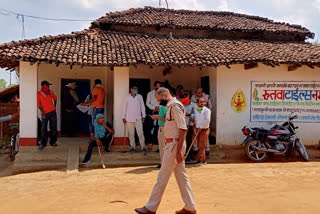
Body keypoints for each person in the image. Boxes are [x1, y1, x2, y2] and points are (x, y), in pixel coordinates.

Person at [135, 87, 197, 214]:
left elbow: (183, 128)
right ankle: (190, 206)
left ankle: (151, 207)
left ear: (164, 95)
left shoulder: (175, 106)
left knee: (162, 177)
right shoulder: (171, 106)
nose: (158, 103)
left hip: (174, 145)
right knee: (181, 177)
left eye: (159, 99)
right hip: (173, 144)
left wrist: (179, 151)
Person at [122, 86, 147, 154]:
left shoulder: (139, 97)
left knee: (140, 133)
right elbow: (125, 107)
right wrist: (123, 117)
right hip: (129, 118)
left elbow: (142, 106)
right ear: (131, 90)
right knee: (131, 134)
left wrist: (143, 116)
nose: (135, 90)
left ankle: (143, 147)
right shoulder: (127, 97)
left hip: (138, 118)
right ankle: (132, 147)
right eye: (134, 89)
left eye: (136, 89)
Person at [37, 80, 58, 150]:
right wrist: (42, 112)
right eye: (47, 86)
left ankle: (53, 142)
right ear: (43, 86)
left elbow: (55, 99)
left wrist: (54, 106)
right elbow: (39, 104)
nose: (48, 87)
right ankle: (43, 143)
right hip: (45, 113)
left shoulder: (50, 92)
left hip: (52, 112)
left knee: (54, 127)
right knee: (44, 128)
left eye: (48, 86)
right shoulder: (39, 94)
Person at [191, 88, 212, 155]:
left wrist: (201, 125)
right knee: (196, 137)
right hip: (197, 125)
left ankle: (207, 150)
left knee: (204, 139)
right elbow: (195, 113)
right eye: (197, 93)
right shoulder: (194, 99)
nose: (198, 94)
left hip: (204, 126)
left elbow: (207, 119)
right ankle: (195, 149)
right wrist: (194, 120)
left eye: (199, 93)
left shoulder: (207, 99)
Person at [192, 98, 211, 167]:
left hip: (204, 129)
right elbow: (196, 117)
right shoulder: (197, 109)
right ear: (197, 103)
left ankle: (199, 160)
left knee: (202, 145)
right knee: (199, 145)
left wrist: (201, 126)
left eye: (203, 102)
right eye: (200, 102)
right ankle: (203, 160)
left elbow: (207, 120)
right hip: (198, 129)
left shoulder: (207, 110)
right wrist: (194, 122)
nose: (202, 104)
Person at [150, 99, 167, 169]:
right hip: (163, 127)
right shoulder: (163, 108)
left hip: (163, 128)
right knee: (163, 146)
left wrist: (157, 117)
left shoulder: (163, 108)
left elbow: (166, 118)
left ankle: (163, 163)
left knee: (162, 146)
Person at [180, 94, 197, 163]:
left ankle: (189, 156)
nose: (184, 103)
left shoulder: (194, 105)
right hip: (182, 124)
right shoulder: (180, 105)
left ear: (188, 99)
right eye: (183, 102)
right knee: (182, 141)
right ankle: (182, 154)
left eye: (185, 101)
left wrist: (189, 115)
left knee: (189, 140)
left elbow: (196, 114)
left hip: (190, 125)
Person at [146, 81, 161, 147]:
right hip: (152, 111)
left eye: (159, 87)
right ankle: (150, 142)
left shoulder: (162, 93)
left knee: (159, 127)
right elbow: (147, 103)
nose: (158, 88)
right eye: (157, 87)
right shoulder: (150, 94)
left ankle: (157, 142)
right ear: (154, 86)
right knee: (150, 127)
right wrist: (154, 107)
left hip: (161, 112)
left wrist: (160, 107)